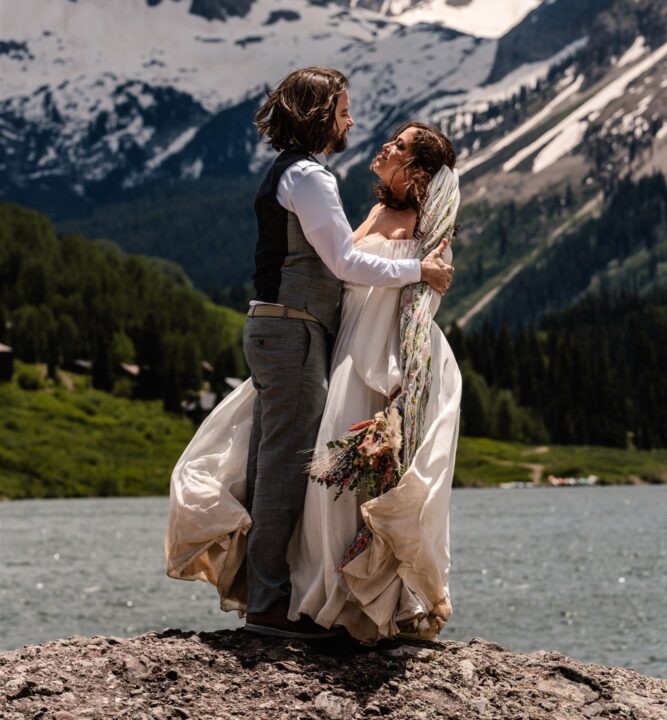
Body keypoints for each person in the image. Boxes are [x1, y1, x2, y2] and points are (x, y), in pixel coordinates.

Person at [166, 67, 453, 638]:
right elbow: (345, 265)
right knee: (281, 471)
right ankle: (270, 604)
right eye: (343, 109)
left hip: (287, 329)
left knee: (266, 462)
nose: (351, 121)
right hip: (292, 331)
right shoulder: (311, 178)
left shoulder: (293, 173)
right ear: (322, 114)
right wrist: (419, 268)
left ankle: (265, 590)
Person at [288, 121, 462, 642]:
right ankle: (328, 597)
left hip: (387, 359)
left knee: (372, 478)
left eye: (401, 146)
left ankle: (375, 602)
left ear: (418, 170)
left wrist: (399, 383)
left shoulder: (430, 226)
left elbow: (425, 298)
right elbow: (346, 269)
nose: (387, 146)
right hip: (349, 347)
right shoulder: (377, 211)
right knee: (328, 478)